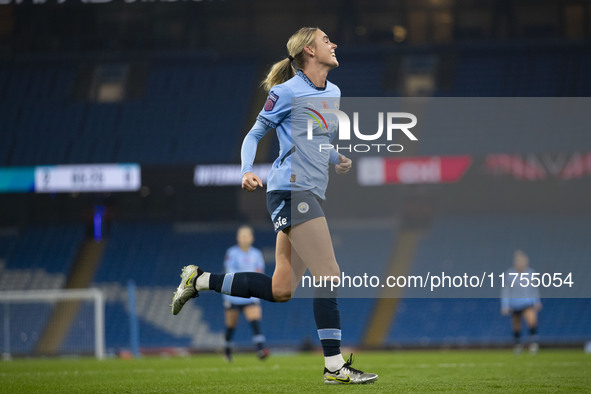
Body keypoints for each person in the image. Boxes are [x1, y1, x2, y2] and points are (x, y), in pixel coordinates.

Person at [172, 26, 378, 385]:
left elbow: (315, 139)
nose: (334, 44)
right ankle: (334, 367)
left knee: (281, 290)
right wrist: (247, 170)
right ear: (309, 51)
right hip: (290, 192)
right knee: (329, 274)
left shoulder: (334, 92)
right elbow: (254, 134)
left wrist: (335, 157)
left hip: (308, 193)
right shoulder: (285, 92)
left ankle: (199, 279)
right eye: (326, 40)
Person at [222, 225, 269, 361]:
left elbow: (260, 272)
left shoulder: (257, 254)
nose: (244, 238)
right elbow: (230, 273)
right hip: (234, 295)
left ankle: (261, 349)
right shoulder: (231, 253)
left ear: (252, 238)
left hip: (250, 295)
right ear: (238, 238)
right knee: (231, 326)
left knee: (255, 321)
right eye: (241, 235)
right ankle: (227, 351)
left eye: (246, 235)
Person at [501, 249, 542, 354]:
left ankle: (533, 344)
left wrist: (537, 301)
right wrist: (505, 305)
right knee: (516, 325)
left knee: (532, 320)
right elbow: (505, 290)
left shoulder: (531, 273)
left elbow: (534, 288)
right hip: (514, 303)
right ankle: (518, 345)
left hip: (527, 302)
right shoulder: (509, 274)